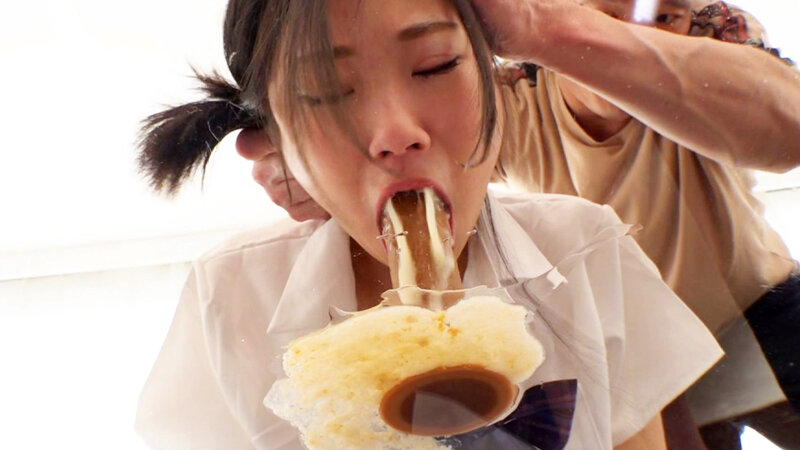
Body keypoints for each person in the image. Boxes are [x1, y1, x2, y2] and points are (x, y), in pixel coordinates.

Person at [135, 0, 725, 448]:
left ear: (494, 79)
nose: (396, 133)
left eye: (436, 66)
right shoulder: (233, 294)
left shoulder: (584, 248)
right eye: (325, 91)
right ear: (274, 141)